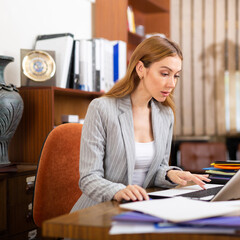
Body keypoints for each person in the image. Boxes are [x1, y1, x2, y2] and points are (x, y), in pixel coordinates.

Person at [71, 36, 210, 212]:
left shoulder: (165, 115)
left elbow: (156, 170)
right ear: (140, 69)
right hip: (100, 211)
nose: (171, 83)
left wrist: (170, 174)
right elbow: (88, 178)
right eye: (164, 73)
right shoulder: (102, 108)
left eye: (176, 76)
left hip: (141, 209)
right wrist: (119, 190)